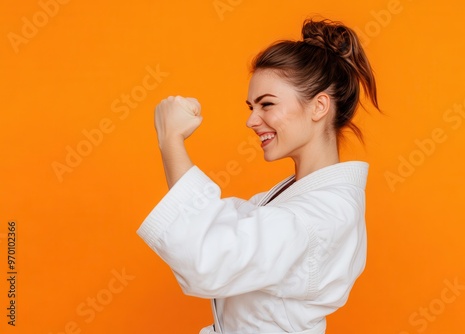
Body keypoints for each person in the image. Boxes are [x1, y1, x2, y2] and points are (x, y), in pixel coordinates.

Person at [137, 17, 379, 334]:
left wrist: (170, 140)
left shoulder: (320, 215)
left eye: (267, 105)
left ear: (319, 107)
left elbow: (209, 256)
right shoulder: (303, 199)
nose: (252, 120)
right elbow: (221, 228)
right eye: (251, 107)